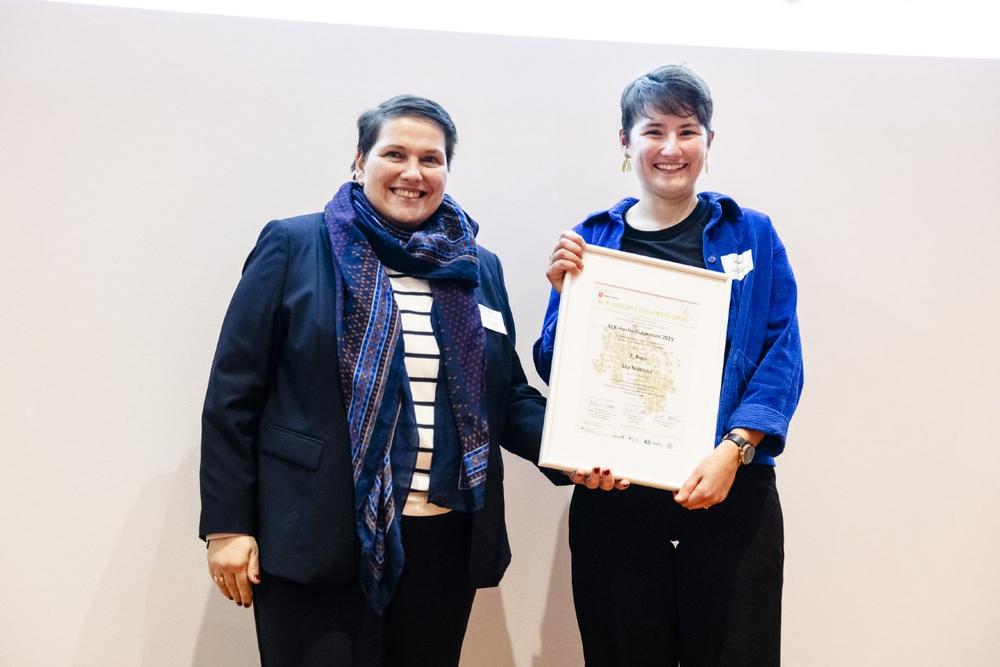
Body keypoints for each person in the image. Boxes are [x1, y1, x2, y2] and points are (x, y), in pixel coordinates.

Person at [199, 95, 546, 666]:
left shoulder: (478, 268)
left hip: (443, 543)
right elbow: (234, 394)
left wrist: (578, 451)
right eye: (395, 154)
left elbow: (506, 396)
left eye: (431, 159)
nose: (413, 172)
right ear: (360, 162)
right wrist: (227, 527)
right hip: (317, 536)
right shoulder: (295, 245)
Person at [534, 64, 804, 666]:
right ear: (625, 142)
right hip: (617, 494)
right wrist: (567, 300)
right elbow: (557, 367)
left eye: (688, 131)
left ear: (709, 140)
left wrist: (736, 448)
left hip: (732, 485)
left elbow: (781, 354)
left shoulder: (751, 234)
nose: (672, 148)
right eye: (654, 131)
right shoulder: (590, 241)